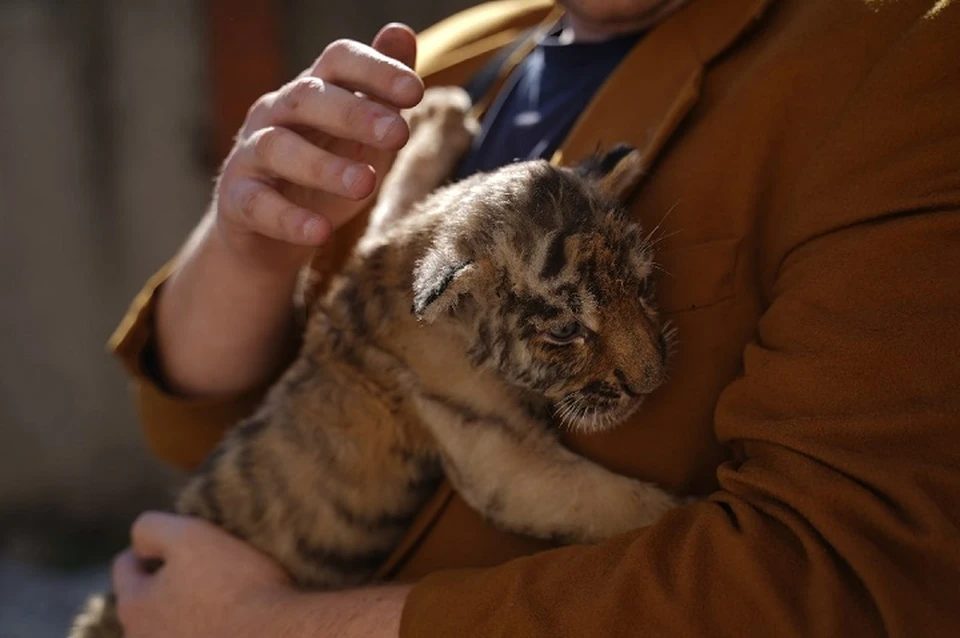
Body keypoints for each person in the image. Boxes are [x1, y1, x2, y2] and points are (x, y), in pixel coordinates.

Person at [107, 0, 960, 635]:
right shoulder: (445, 58)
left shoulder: (900, 54)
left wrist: (271, 626)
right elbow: (190, 423)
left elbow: (851, 577)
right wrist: (246, 248)